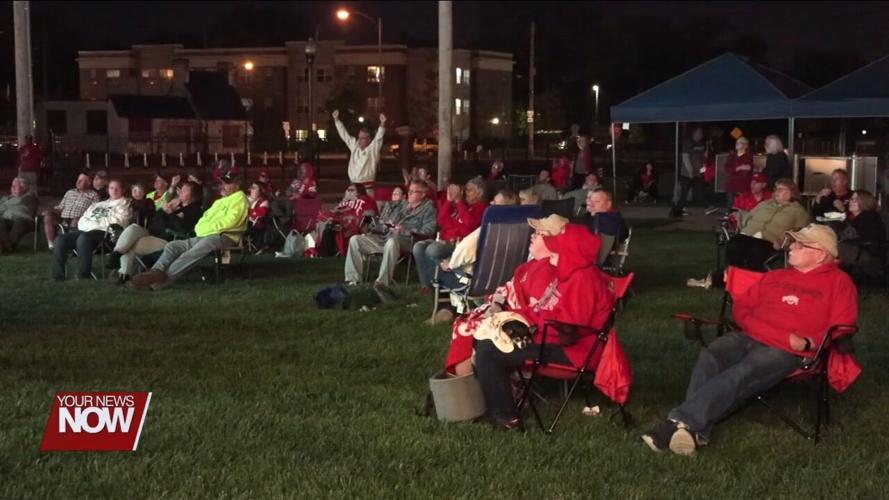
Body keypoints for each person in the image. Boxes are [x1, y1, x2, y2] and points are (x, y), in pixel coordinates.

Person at [643, 223, 858, 456]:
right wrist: (771, 331)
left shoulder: (839, 283)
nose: (791, 248)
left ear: (820, 254)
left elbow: (843, 325)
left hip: (787, 351)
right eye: (792, 242)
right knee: (712, 353)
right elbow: (742, 308)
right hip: (752, 336)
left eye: (799, 244)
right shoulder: (775, 275)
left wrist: (810, 343)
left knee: (745, 370)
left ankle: (677, 425)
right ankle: (692, 429)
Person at [472, 223, 616, 429]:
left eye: (559, 244)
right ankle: (503, 404)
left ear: (570, 250)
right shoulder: (570, 274)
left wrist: (533, 331)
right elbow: (547, 313)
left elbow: (569, 333)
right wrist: (514, 317)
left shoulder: (582, 279)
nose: (553, 249)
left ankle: (506, 417)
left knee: (489, 352)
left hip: (573, 353)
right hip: (554, 340)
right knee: (487, 339)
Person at [444, 213, 567, 374]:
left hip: (519, 326)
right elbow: (510, 288)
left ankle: (462, 385)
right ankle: (461, 383)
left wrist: (499, 311)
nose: (532, 235)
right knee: (465, 323)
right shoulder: (532, 265)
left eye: (538, 234)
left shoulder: (547, 272)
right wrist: (497, 302)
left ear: (551, 242)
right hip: (503, 310)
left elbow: (534, 308)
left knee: (466, 328)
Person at [130, 172, 248, 290]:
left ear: (237, 185)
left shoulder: (240, 199)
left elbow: (230, 222)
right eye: (222, 183)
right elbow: (203, 221)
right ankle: (156, 271)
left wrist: (205, 228)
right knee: (173, 246)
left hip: (225, 237)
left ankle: (155, 284)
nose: (222, 186)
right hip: (206, 235)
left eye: (227, 183)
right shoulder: (220, 201)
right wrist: (204, 229)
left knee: (190, 254)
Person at [431, 189, 519, 324]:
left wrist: (451, 264)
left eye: (494, 202)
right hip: (505, 280)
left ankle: (449, 308)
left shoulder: (486, 231)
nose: (490, 203)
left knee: (438, 271)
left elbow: (464, 251)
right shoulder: (520, 230)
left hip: (478, 284)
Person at [344, 179, 437, 290]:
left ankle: (382, 282)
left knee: (392, 242)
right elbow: (386, 221)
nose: (409, 193)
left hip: (408, 240)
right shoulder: (403, 206)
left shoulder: (429, 209)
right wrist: (384, 224)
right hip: (385, 237)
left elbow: (429, 231)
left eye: (413, 191)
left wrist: (404, 230)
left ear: (422, 194)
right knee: (355, 240)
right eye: (409, 190)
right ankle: (353, 279)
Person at [109, 181, 203, 283]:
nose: (180, 192)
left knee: (129, 244)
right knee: (133, 227)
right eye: (181, 189)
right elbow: (155, 220)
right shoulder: (175, 205)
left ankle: (124, 273)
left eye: (184, 190)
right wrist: (163, 210)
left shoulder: (194, 210)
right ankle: (117, 254)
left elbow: (184, 230)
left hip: (167, 241)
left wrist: (171, 214)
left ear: (193, 195)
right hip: (151, 233)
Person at [414, 178, 488, 291]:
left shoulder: (482, 207)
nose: (464, 193)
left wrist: (459, 204)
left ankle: (439, 282)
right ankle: (427, 286)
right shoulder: (462, 206)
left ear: (479, 192)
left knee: (432, 250)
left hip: (460, 244)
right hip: (445, 239)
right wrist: (449, 201)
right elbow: (441, 221)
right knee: (418, 247)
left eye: (469, 190)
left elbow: (470, 226)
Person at [51, 179, 132, 281]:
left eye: (117, 188)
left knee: (83, 238)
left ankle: (83, 275)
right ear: (108, 190)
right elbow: (82, 221)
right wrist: (94, 224)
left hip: (107, 235)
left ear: (123, 190)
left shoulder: (125, 204)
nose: (114, 191)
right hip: (86, 231)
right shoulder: (98, 205)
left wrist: (94, 224)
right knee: (60, 239)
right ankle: (58, 276)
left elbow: (119, 222)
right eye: (111, 188)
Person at [725, 178, 809, 271]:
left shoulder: (798, 211)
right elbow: (749, 216)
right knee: (733, 244)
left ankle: (752, 279)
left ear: (791, 192)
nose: (776, 192)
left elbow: (801, 230)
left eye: (780, 189)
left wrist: (785, 239)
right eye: (776, 189)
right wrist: (740, 217)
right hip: (748, 234)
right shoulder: (765, 204)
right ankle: (735, 276)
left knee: (755, 251)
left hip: (769, 240)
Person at [309, 183, 378, 256]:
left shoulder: (364, 200)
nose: (348, 192)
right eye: (347, 190)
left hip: (352, 224)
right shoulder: (345, 203)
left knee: (331, 225)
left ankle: (325, 254)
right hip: (338, 222)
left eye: (351, 190)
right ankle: (324, 253)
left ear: (359, 192)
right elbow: (334, 211)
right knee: (326, 221)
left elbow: (370, 212)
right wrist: (344, 200)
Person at [333, 109, 386, 194]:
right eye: (359, 137)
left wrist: (382, 123)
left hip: (366, 189)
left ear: (368, 139)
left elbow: (378, 138)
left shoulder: (372, 149)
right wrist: (337, 120)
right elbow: (344, 135)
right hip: (353, 187)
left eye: (362, 138)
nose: (359, 140)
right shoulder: (355, 146)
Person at [837, 190, 885, 282]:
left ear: (864, 202)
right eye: (851, 199)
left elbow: (870, 240)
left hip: (869, 258)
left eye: (856, 199)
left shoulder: (870, 218)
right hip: (856, 254)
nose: (851, 201)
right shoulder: (852, 218)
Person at [42, 173, 100, 250]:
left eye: (81, 180)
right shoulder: (70, 192)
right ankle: (52, 245)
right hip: (62, 217)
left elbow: (95, 210)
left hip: (79, 218)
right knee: (48, 217)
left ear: (88, 183)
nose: (78, 182)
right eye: (78, 180)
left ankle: (70, 245)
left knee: (75, 220)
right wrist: (50, 210)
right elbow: (60, 207)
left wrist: (83, 217)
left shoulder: (93, 195)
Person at [670, 127, 705, 217]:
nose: (701, 134)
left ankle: (705, 205)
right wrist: (690, 171)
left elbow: (703, 157)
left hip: (698, 173)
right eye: (699, 132)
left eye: (701, 133)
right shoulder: (688, 143)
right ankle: (676, 210)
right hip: (687, 173)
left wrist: (702, 168)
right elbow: (686, 158)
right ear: (694, 133)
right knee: (684, 193)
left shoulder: (701, 144)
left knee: (699, 190)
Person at [0, 177, 38, 254]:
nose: (12, 188)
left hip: (24, 220)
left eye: (15, 186)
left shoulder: (29, 196)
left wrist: (5, 204)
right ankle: (8, 246)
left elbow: (18, 201)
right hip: (7, 219)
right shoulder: (5, 198)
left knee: (19, 223)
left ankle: (5, 247)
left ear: (23, 188)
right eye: (12, 186)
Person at [724, 136, 754, 209]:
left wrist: (737, 169)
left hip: (743, 184)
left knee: (742, 204)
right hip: (731, 183)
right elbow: (727, 168)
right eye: (737, 142)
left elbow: (749, 168)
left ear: (746, 145)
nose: (737, 144)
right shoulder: (732, 156)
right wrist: (739, 168)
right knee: (730, 204)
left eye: (740, 142)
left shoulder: (749, 156)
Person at [247, 181, 270, 249]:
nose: (251, 190)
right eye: (251, 188)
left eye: (254, 188)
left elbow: (259, 215)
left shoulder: (264, 202)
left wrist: (249, 211)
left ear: (260, 191)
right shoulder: (245, 199)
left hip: (256, 226)